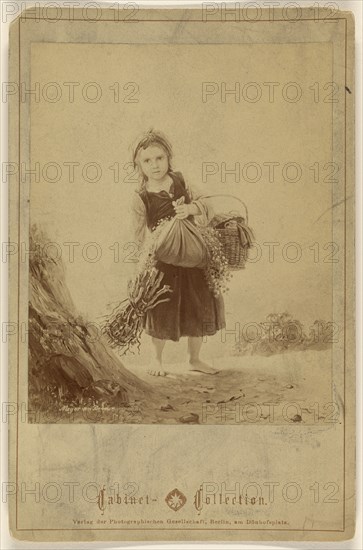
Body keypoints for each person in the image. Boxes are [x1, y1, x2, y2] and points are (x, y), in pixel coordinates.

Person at [130, 130, 225, 376]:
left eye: (159, 158)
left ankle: (194, 358)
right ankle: (156, 360)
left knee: (198, 304)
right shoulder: (141, 197)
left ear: (169, 158)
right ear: (139, 165)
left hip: (192, 256)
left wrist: (191, 208)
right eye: (147, 161)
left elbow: (208, 204)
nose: (154, 165)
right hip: (163, 260)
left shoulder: (182, 182)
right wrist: (145, 260)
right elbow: (139, 234)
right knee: (161, 309)